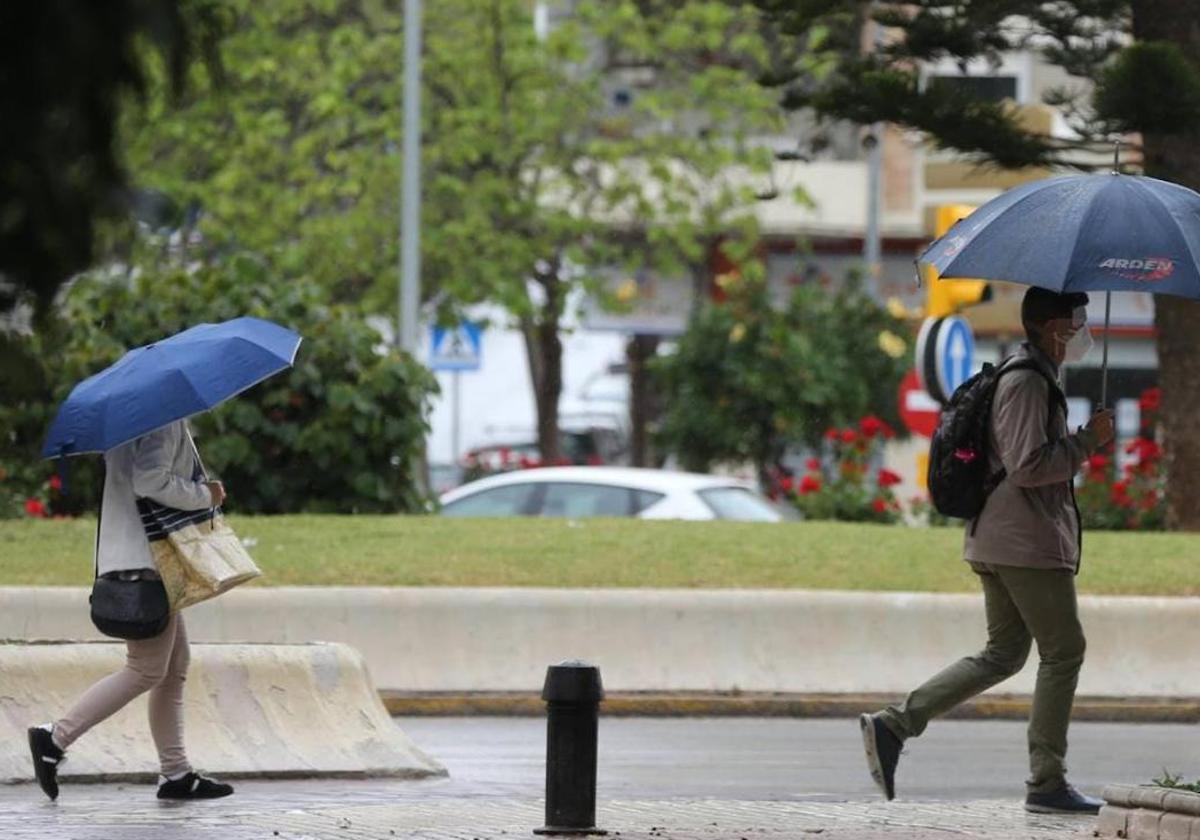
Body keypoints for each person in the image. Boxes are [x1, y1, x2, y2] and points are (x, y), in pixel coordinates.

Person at [860, 288, 1116, 814]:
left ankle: (894, 725)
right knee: (1064, 650)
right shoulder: (1026, 380)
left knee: (1003, 654)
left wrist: (1077, 440)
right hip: (1024, 541)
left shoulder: (1032, 373)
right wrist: (1088, 442)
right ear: (1054, 328)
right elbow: (1027, 466)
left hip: (1003, 536)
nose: (1084, 327)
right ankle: (1047, 781)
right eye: (1077, 319)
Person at [27, 419, 235, 801]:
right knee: (146, 668)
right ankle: (54, 737)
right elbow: (149, 481)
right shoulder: (163, 421)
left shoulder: (130, 420)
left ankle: (175, 773)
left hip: (136, 557)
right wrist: (203, 494)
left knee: (174, 665)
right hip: (146, 563)